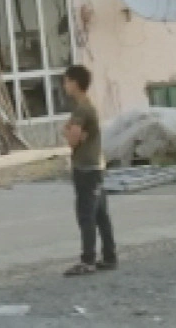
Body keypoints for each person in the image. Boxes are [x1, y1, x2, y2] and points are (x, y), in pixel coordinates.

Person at [62, 65, 117, 275]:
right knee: (101, 213)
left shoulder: (82, 109)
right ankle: (109, 256)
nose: (65, 86)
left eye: (67, 81)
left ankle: (88, 260)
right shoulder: (86, 107)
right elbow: (77, 135)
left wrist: (69, 134)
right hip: (96, 165)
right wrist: (73, 134)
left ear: (75, 83)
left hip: (86, 168)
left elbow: (73, 138)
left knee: (86, 214)